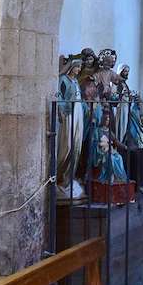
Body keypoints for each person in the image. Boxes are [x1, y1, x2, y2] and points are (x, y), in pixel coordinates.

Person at [56, 59, 86, 198]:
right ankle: (59, 174)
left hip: (78, 111)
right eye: (77, 67)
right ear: (71, 67)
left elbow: (80, 98)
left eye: (80, 67)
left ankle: (69, 178)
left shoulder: (76, 81)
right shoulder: (64, 79)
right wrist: (61, 109)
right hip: (69, 112)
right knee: (67, 145)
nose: (79, 70)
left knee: (77, 144)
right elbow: (59, 95)